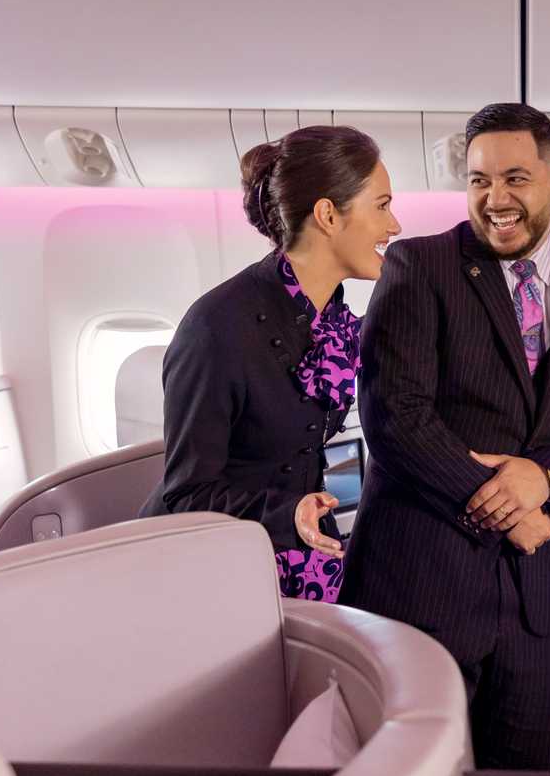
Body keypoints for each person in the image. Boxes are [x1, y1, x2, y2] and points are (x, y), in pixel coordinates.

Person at [337, 103, 550, 769]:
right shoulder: (419, 267)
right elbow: (395, 418)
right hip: (421, 587)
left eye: (516, 178)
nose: (495, 199)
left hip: (535, 609)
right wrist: (508, 506)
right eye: (478, 179)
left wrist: (545, 480)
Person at [143, 126, 400, 601]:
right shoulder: (216, 328)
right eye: (382, 206)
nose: (395, 226)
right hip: (207, 570)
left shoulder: (335, 318)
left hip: (297, 548)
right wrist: (289, 513)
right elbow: (186, 495)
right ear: (327, 215)